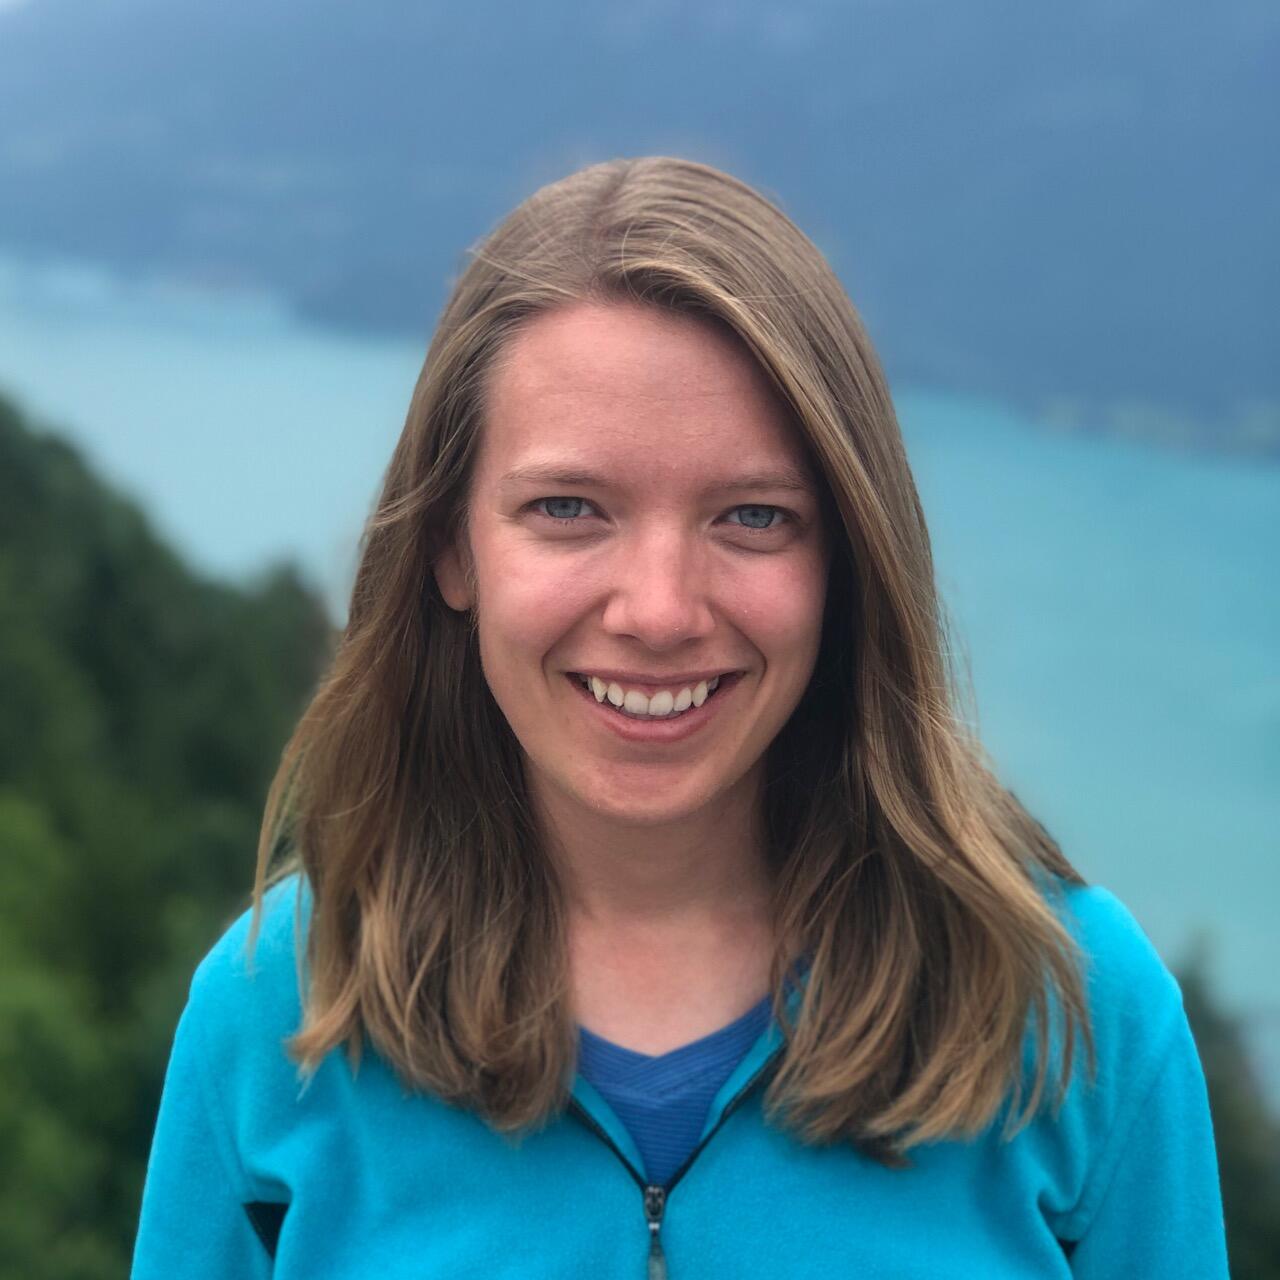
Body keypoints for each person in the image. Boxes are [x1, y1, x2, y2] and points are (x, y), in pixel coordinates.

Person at [130, 156, 1229, 1278]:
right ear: (452, 548)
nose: (658, 612)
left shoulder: (1075, 1011)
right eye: (569, 507)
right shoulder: (273, 1014)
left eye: (751, 516)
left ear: (846, 559)